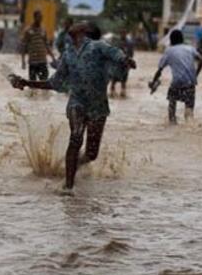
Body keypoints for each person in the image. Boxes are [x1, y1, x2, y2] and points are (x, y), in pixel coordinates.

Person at [10, 22, 136, 191]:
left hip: (98, 106)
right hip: (77, 102)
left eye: (78, 24)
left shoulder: (98, 46)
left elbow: (115, 53)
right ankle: (68, 188)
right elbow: (55, 82)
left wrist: (125, 59)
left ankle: (72, 166)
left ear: (85, 31)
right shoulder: (68, 54)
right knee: (76, 137)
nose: (72, 25)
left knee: (92, 154)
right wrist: (26, 82)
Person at [149, 30, 202, 125]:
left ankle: (172, 121)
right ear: (182, 39)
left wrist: (154, 81)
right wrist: (195, 75)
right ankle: (190, 125)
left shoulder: (169, 51)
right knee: (189, 111)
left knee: (172, 104)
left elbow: (160, 70)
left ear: (171, 41)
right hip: (190, 83)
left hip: (177, 83)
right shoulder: (190, 49)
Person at [20, 10, 56, 81]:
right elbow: (24, 46)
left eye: (41, 17)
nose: (40, 19)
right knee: (33, 83)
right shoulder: (28, 30)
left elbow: (47, 45)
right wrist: (23, 61)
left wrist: (53, 57)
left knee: (44, 81)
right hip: (33, 62)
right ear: (34, 17)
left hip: (42, 60)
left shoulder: (43, 30)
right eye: (39, 17)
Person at [109, 29, 134, 98]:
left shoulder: (129, 43)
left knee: (124, 78)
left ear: (126, 34)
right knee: (114, 78)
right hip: (117, 63)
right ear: (120, 34)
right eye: (122, 33)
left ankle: (123, 92)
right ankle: (112, 91)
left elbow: (131, 53)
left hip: (125, 63)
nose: (123, 34)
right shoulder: (116, 42)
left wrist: (129, 62)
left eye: (124, 33)